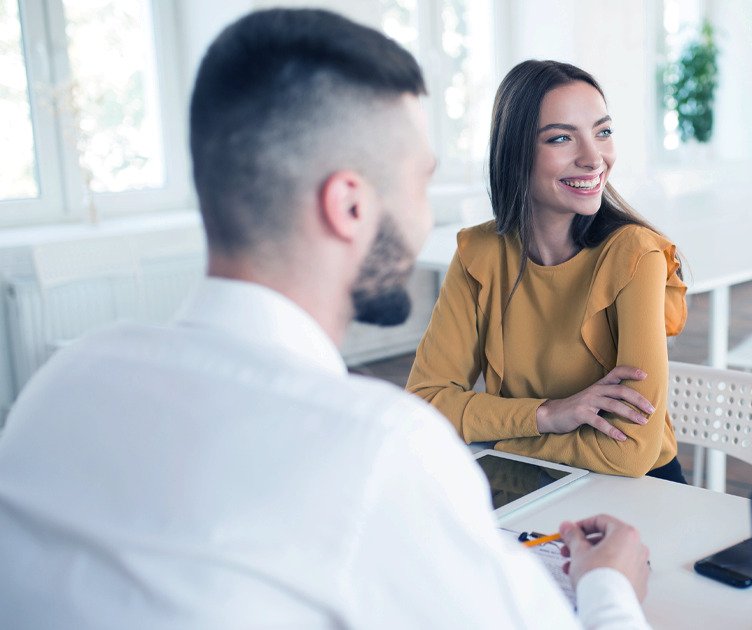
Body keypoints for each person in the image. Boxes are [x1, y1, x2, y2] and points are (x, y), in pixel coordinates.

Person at [0, 9, 652, 628]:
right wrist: (609, 584)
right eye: (418, 184)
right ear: (348, 206)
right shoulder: (378, 451)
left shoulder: (57, 387)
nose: (425, 217)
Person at [406, 60, 688, 481]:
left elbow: (630, 454)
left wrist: (493, 436)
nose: (594, 158)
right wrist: (548, 414)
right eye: (561, 138)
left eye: (603, 132)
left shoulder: (634, 255)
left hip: (636, 491)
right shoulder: (478, 254)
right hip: (525, 485)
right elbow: (424, 402)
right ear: (516, 152)